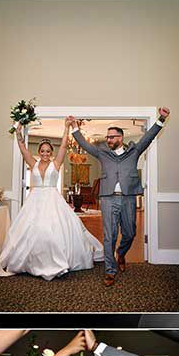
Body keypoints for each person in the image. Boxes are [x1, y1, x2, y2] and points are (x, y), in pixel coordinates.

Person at [69, 110, 170, 286]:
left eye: (112, 137)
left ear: (120, 138)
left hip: (128, 198)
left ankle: (121, 254)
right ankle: (110, 271)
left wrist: (161, 119)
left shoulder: (134, 151)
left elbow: (148, 137)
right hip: (108, 198)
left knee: (130, 232)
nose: (108, 140)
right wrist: (74, 128)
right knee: (110, 235)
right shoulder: (102, 153)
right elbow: (84, 144)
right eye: (107, 137)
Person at [0, 120, 103, 279]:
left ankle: (55, 260)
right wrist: (18, 131)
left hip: (53, 201)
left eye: (48, 151)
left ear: (51, 152)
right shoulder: (33, 163)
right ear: (39, 152)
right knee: (32, 231)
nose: (45, 154)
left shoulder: (56, 163)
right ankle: (32, 261)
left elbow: (63, 145)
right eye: (43, 151)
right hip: (35, 201)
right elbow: (22, 147)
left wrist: (66, 127)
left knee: (51, 231)